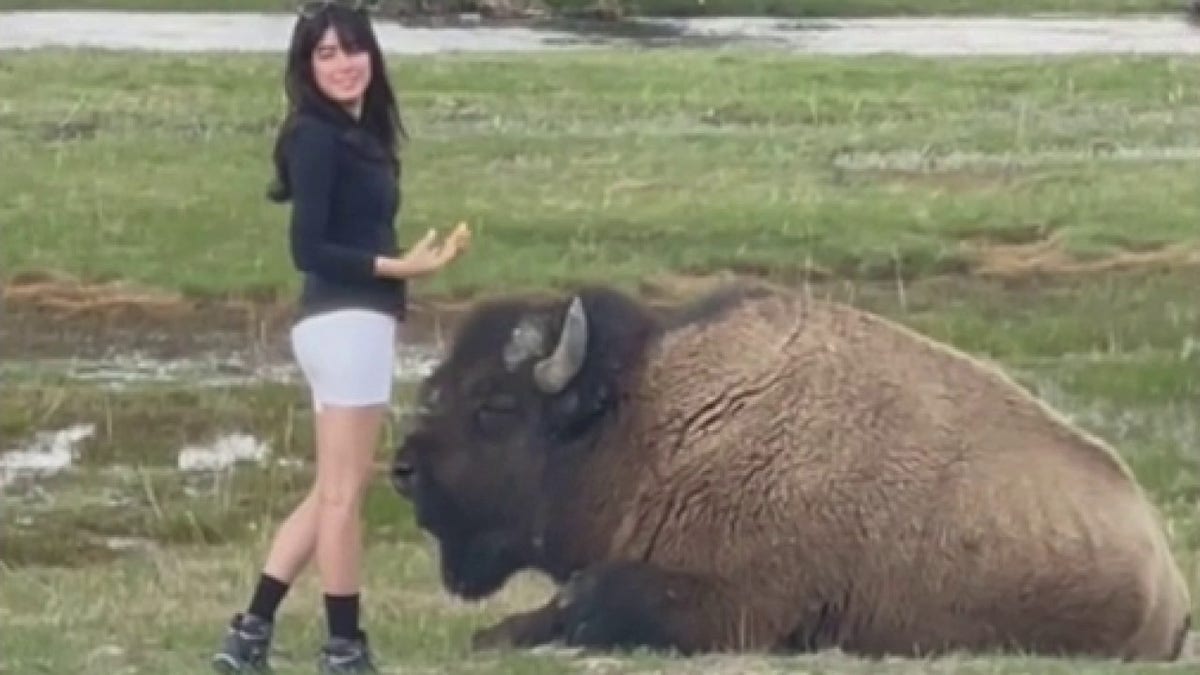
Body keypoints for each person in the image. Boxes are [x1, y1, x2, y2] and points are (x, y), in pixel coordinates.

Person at [211, 2, 470, 673]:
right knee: (344, 495)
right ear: (306, 65)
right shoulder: (315, 136)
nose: (344, 64)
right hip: (344, 323)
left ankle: (248, 634)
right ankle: (343, 648)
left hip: (352, 323)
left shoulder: (363, 132)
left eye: (352, 49)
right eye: (325, 53)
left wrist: (414, 263)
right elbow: (310, 248)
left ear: (372, 55)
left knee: (330, 487)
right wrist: (402, 267)